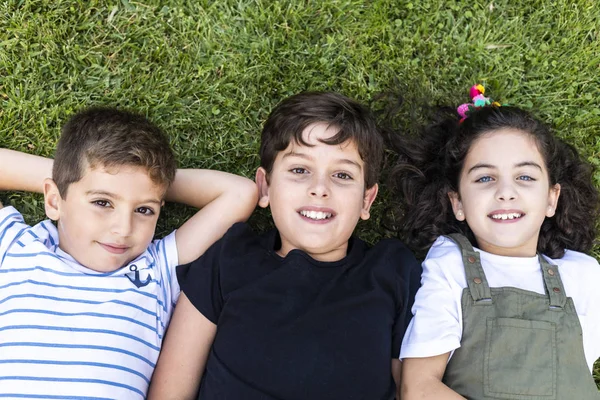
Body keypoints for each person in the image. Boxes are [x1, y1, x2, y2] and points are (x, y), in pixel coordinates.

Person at [148, 91, 422, 399]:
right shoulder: (229, 259)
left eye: (342, 175)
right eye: (299, 170)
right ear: (265, 187)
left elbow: (415, 389)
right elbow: (169, 392)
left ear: (366, 200)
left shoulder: (391, 271)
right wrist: (139, 183)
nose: (320, 189)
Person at [0, 108, 257, 398]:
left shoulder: (157, 269)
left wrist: (147, 182)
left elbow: (240, 193)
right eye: (102, 202)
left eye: (144, 209)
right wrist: (69, 175)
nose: (124, 228)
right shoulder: (16, 246)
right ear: (53, 200)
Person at [388, 84, 600, 399]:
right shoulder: (450, 265)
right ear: (457, 202)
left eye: (525, 177)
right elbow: (418, 388)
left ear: (551, 199)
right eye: (485, 178)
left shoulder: (583, 275)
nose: (506, 191)